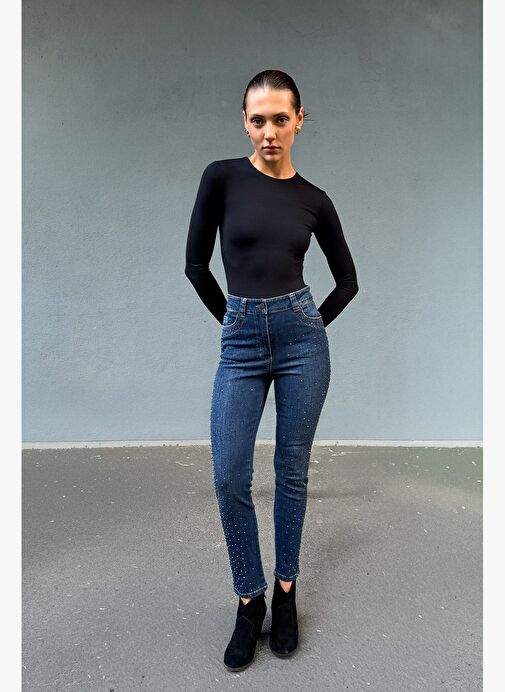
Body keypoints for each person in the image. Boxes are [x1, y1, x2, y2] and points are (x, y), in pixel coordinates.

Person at [185, 69, 359, 671]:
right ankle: (248, 598)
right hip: (241, 340)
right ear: (244, 122)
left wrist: (309, 328)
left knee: (291, 472)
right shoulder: (221, 177)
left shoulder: (314, 199)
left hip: (301, 342)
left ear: (299, 121)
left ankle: (285, 593)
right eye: (257, 120)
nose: (268, 132)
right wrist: (235, 322)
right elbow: (195, 265)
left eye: (280, 119)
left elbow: (348, 281)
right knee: (229, 473)